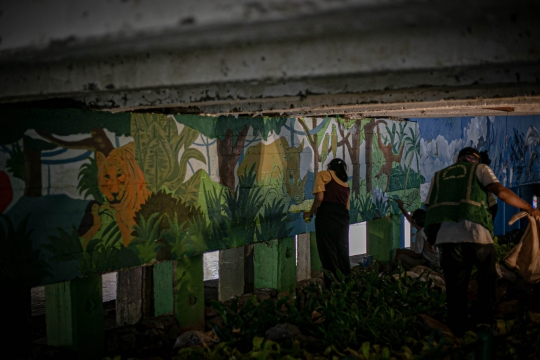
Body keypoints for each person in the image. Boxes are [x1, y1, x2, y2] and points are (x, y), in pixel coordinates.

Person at [424, 147, 540, 337]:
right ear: (475, 159)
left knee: (455, 288)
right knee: (487, 281)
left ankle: (458, 333)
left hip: (448, 239)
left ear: (458, 159)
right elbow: (500, 192)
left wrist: (432, 238)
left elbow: (430, 209)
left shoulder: (439, 176)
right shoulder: (479, 169)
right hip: (477, 235)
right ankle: (484, 326)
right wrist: (529, 207)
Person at [304, 158, 351, 288]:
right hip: (343, 218)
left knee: (327, 251)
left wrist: (310, 212)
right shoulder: (345, 185)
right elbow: (346, 207)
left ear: (329, 166)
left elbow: (319, 198)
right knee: (341, 249)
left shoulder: (324, 174)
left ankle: (332, 285)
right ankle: (346, 281)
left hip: (327, 216)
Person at [394, 201, 440, 271]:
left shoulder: (421, 233)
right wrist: (401, 208)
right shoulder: (426, 227)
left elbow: (417, 255)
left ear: (415, 221)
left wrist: (402, 252)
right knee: (400, 252)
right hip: (435, 262)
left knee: (399, 257)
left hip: (429, 263)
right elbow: (409, 217)